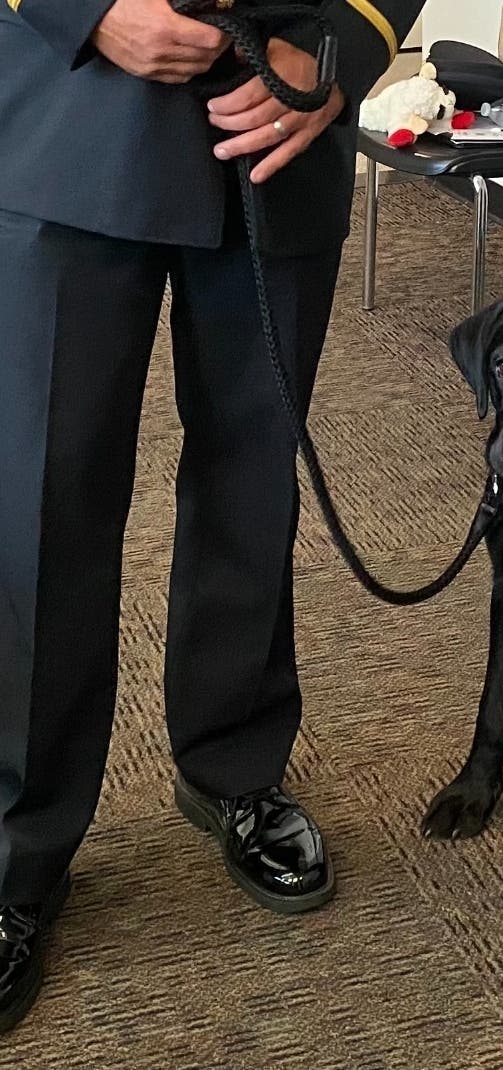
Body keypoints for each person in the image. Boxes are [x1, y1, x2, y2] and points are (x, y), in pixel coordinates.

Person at [0, 0, 421, 1032]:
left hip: (279, 115)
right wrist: (79, 10)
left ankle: (233, 763)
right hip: (76, 110)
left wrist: (347, 47)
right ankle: (17, 843)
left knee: (253, 477)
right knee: (45, 499)